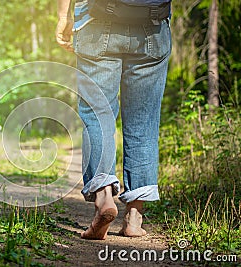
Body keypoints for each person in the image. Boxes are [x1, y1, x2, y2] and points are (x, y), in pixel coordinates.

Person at [56, 0, 172, 239]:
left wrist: (63, 16)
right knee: (143, 122)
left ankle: (104, 198)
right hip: (151, 25)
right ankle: (134, 218)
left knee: (97, 115)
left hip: (95, 22)